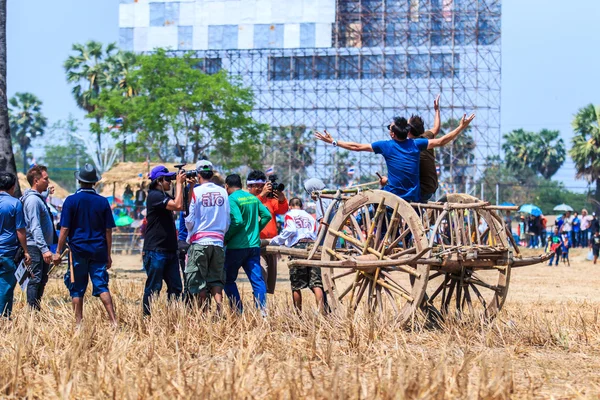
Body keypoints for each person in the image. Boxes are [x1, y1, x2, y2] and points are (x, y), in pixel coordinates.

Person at [314, 113, 475, 202]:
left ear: (392, 133)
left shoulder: (386, 145)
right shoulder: (416, 144)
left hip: (394, 196)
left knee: (365, 213)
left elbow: (356, 147)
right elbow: (441, 140)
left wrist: (333, 141)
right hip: (415, 196)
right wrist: (461, 126)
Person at [53, 164, 117, 325]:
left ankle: (78, 323)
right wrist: (108, 255)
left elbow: (65, 228)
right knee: (102, 285)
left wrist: (58, 251)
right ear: (94, 182)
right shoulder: (103, 202)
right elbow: (108, 231)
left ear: (79, 181)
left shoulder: (71, 200)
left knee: (77, 288)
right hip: (98, 251)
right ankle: (113, 320)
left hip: (77, 250)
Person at [184, 160, 230, 312]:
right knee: (216, 279)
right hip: (218, 241)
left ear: (198, 175)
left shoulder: (196, 192)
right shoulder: (223, 191)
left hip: (200, 241)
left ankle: (203, 313)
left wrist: (189, 230)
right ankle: (219, 310)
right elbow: (227, 218)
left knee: (198, 280)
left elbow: (190, 220)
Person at [223, 174, 272, 314]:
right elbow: (267, 215)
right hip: (254, 246)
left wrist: (227, 237)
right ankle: (262, 311)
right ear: (241, 185)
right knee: (257, 280)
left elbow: (237, 221)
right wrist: (256, 229)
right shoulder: (252, 198)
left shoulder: (231, 199)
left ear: (227, 186)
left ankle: (238, 310)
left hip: (236, 247)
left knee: (227, 279)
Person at [142, 165, 186, 316]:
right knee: (154, 287)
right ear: (159, 181)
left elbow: (183, 204)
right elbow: (178, 205)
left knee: (176, 287)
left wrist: (190, 185)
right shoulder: (154, 195)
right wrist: (179, 183)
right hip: (156, 250)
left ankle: (171, 317)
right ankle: (147, 317)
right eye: (168, 179)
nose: (170, 182)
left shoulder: (163, 196)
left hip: (169, 250)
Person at [270, 198, 323, 312]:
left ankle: (298, 314)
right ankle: (321, 312)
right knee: (316, 283)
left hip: (298, 247)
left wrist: (276, 240)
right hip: (312, 247)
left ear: (290, 206)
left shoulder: (289, 215)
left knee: (296, 285)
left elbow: (291, 229)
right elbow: (315, 232)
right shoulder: (310, 216)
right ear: (302, 206)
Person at [246, 170, 288, 294]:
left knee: (270, 280)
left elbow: (283, 210)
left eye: (262, 186)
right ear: (249, 187)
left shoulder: (270, 200)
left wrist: (281, 199)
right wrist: (262, 195)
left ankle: (262, 307)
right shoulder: (247, 199)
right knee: (261, 274)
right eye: (257, 186)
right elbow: (249, 208)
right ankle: (260, 307)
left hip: (271, 242)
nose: (260, 189)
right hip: (256, 243)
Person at [22, 165, 56, 311]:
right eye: (45, 179)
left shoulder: (37, 198)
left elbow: (41, 196)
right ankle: (32, 311)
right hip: (35, 246)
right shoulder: (33, 201)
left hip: (40, 246)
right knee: (35, 279)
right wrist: (44, 249)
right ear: (36, 180)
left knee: (42, 279)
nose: (48, 181)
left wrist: (47, 192)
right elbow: (35, 227)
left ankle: (36, 308)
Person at [0, 172, 31, 318]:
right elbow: (20, 230)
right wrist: (26, 251)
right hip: (7, 251)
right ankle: (3, 317)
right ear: (13, 187)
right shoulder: (15, 203)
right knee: (6, 286)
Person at [407, 94, 441, 202]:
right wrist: (436, 110)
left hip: (421, 190)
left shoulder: (410, 146)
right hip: (432, 187)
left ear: (408, 131)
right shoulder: (427, 137)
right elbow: (436, 128)